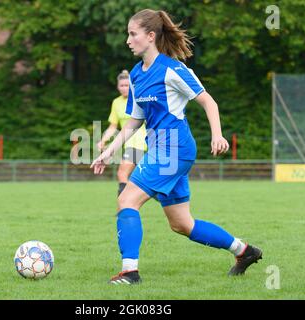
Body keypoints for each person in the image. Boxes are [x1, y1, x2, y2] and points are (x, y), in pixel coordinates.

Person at [91, 9, 262, 284]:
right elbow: (135, 120)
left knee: (126, 200)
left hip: (173, 149)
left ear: (150, 36)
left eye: (132, 34)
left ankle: (129, 272)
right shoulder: (136, 74)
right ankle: (244, 251)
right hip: (161, 150)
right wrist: (108, 151)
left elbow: (208, 101)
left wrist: (217, 135)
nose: (127, 40)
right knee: (182, 224)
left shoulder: (172, 69)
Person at [97, 70, 147, 196]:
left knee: (122, 173)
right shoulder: (116, 102)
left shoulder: (139, 99)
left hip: (140, 142)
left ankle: (124, 208)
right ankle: (167, 198)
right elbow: (113, 126)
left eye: (127, 85)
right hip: (127, 143)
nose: (124, 88)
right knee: (144, 180)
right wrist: (103, 140)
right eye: (121, 85)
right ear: (117, 86)